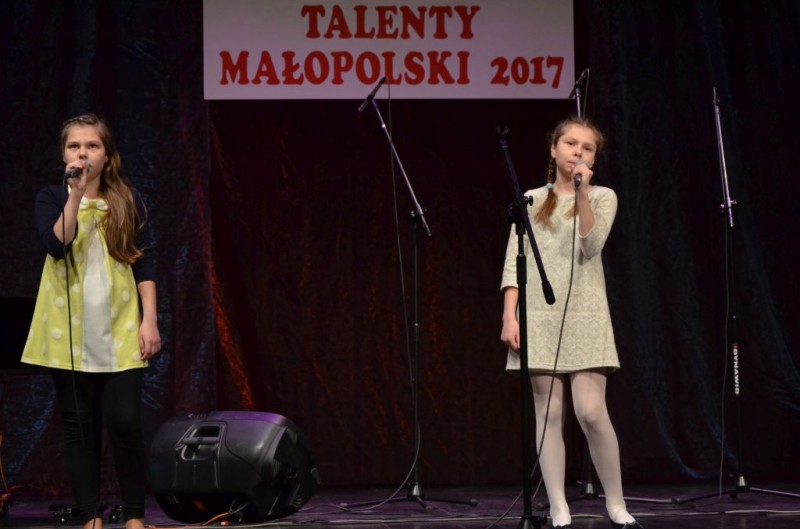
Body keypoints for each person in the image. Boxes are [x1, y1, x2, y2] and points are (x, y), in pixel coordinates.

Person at [499, 117, 643, 529]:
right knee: (548, 413)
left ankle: (616, 503)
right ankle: (559, 505)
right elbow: (514, 262)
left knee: (592, 412)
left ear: (594, 158)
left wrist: (581, 193)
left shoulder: (602, 197)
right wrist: (509, 315)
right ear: (553, 149)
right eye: (570, 143)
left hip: (586, 312)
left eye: (587, 147)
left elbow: (591, 245)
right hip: (538, 314)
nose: (577, 151)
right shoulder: (530, 199)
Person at [21, 114, 161, 529]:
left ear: (107, 154)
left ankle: (134, 516)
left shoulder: (127, 200)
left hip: (119, 325)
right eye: (74, 146)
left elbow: (144, 262)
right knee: (79, 426)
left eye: (92, 146)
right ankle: (91, 516)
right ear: (64, 154)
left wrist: (150, 319)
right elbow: (57, 244)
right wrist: (76, 195)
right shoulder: (51, 197)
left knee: (125, 422)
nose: (82, 153)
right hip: (69, 329)